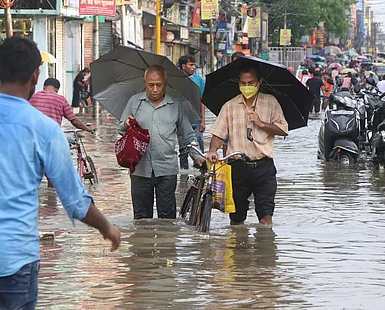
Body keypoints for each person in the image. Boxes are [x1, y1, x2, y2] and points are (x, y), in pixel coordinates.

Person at [0, 36, 121, 308]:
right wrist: (107, 227)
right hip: (14, 258)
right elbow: (74, 199)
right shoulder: (45, 130)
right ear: (36, 76)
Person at [206, 65, 288, 226]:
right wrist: (212, 150)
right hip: (237, 167)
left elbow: (283, 130)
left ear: (259, 83)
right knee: (237, 219)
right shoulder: (229, 106)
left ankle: (264, 248)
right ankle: (238, 249)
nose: (247, 87)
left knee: (266, 216)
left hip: (264, 167)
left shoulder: (270, 102)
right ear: (238, 84)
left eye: (251, 83)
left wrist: (261, 123)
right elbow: (218, 133)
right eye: (243, 83)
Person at [118, 65, 203, 219]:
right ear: (145, 84)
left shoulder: (176, 105)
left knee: (167, 218)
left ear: (166, 83)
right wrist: (125, 124)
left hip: (167, 170)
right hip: (139, 169)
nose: (155, 89)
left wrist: (197, 157)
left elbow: (188, 136)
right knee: (142, 219)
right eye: (151, 85)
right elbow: (120, 129)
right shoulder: (134, 102)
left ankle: (166, 244)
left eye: (159, 85)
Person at [30, 78, 96, 133]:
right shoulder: (61, 99)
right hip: (52, 135)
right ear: (57, 89)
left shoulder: (32, 97)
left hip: (32, 134)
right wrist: (88, 129)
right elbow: (74, 120)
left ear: (43, 86)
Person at [177, 55, 206, 169]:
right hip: (181, 121)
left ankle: (201, 171)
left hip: (197, 119)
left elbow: (202, 101)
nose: (193, 67)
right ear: (183, 66)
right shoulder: (176, 81)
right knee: (182, 149)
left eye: (194, 65)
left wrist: (203, 120)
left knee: (199, 143)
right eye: (191, 65)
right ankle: (183, 178)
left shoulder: (199, 80)